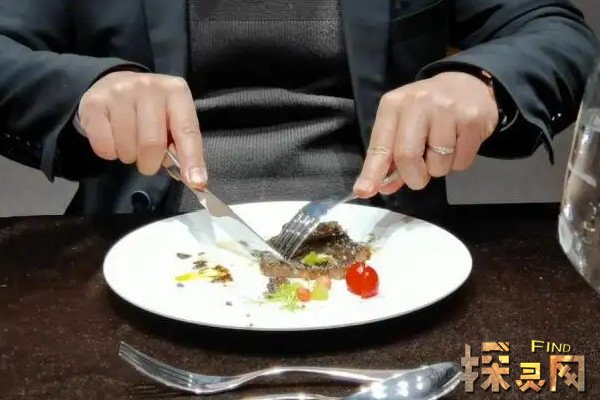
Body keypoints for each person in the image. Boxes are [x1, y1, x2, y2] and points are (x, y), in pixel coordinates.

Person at [0, 0, 597, 216]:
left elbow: (554, 29)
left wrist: (479, 80)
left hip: (387, 248)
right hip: (143, 242)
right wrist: (88, 88)